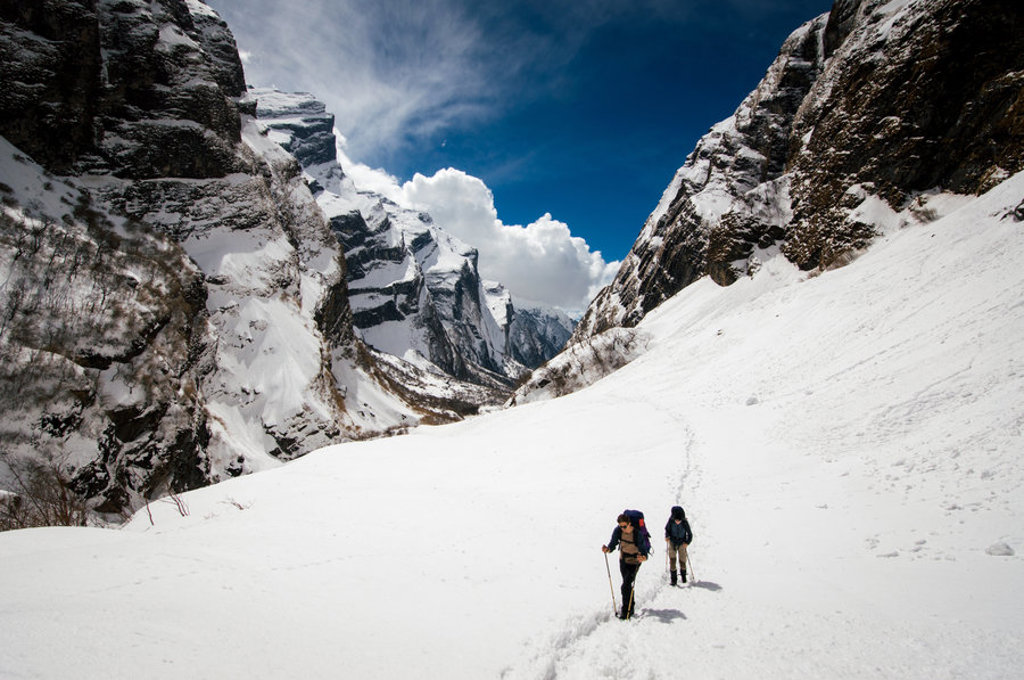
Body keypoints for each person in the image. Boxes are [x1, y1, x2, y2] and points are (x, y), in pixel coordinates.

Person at [602, 513, 649, 619]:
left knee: (626, 585)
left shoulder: (637, 534)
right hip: (623, 559)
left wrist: (644, 557)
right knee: (627, 584)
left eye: (624, 526)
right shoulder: (618, 531)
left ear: (629, 523)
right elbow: (613, 543)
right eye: (620, 526)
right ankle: (630, 608)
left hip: (635, 561)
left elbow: (643, 549)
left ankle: (625, 612)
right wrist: (608, 549)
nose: (622, 528)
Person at [665, 505, 693, 586]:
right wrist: (667, 536)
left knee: (682, 560)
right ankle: (673, 579)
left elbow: (690, 534)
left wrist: (687, 542)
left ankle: (683, 576)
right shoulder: (670, 521)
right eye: (676, 520)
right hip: (672, 542)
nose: (677, 522)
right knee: (672, 560)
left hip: (681, 543)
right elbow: (667, 529)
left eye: (679, 520)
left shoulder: (684, 522)